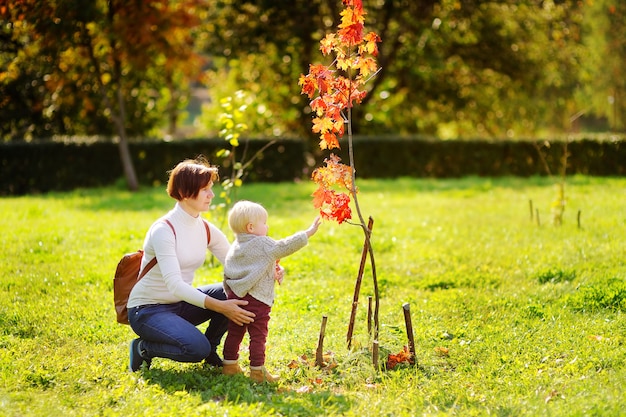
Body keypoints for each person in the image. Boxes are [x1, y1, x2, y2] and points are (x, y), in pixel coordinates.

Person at [126, 157, 271, 372]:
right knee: (194, 348)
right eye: (205, 190)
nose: (211, 195)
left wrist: (270, 269)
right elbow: (175, 285)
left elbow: (238, 260)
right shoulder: (163, 230)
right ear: (185, 193)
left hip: (180, 305)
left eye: (211, 188)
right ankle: (143, 348)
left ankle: (210, 350)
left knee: (230, 292)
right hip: (148, 310)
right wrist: (221, 307)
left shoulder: (204, 227)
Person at [221, 200, 321, 383]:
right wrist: (307, 233)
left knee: (235, 333)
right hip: (257, 301)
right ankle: (257, 372)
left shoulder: (235, 247)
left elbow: (235, 271)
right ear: (251, 227)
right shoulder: (262, 243)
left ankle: (229, 365)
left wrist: (274, 270)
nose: (267, 226)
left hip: (237, 300)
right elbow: (283, 247)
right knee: (258, 336)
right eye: (264, 223)